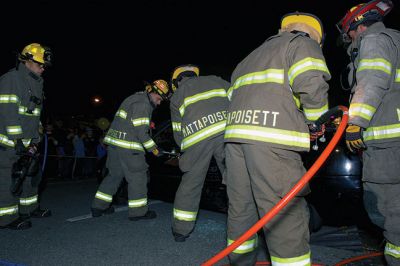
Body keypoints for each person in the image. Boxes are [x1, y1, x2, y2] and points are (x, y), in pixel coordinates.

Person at [224, 13, 330, 265]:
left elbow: (231, 98)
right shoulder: (302, 44)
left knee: (242, 211)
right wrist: (316, 123)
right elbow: (312, 86)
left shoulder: (250, 57)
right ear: (315, 35)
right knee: (284, 214)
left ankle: (239, 262)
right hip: (272, 142)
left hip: (235, 141)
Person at [337, 0, 400, 264]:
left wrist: (356, 122)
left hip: (389, 146)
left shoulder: (373, 40)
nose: (349, 38)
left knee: (388, 212)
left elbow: (372, 79)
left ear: (358, 26)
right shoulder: (395, 40)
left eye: (349, 32)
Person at [91, 79, 169, 220]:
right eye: (159, 99)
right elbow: (140, 133)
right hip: (129, 148)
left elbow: (128, 122)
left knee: (113, 176)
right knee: (138, 178)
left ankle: (98, 206)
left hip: (115, 146)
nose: (159, 103)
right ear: (153, 92)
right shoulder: (143, 104)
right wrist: (156, 150)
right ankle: (138, 212)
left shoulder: (133, 98)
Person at [169, 64, 230, 242]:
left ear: (177, 82)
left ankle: (181, 230)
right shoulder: (216, 80)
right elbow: (237, 97)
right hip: (225, 132)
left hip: (196, 139)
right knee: (235, 178)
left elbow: (177, 131)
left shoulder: (177, 96)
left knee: (191, 184)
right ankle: (246, 225)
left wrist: (184, 149)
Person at [0, 43, 53, 230]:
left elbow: (33, 114)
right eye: (40, 64)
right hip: (9, 142)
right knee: (8, 178)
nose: (43, 68)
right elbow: (7, 112)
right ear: (27, 60)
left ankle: (28, 208)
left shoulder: (36, 83)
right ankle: (6, 218)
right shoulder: (12, 79)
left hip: (29, 142)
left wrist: (37, 136)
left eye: (45, 65)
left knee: (30, 176)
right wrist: (17, 141)